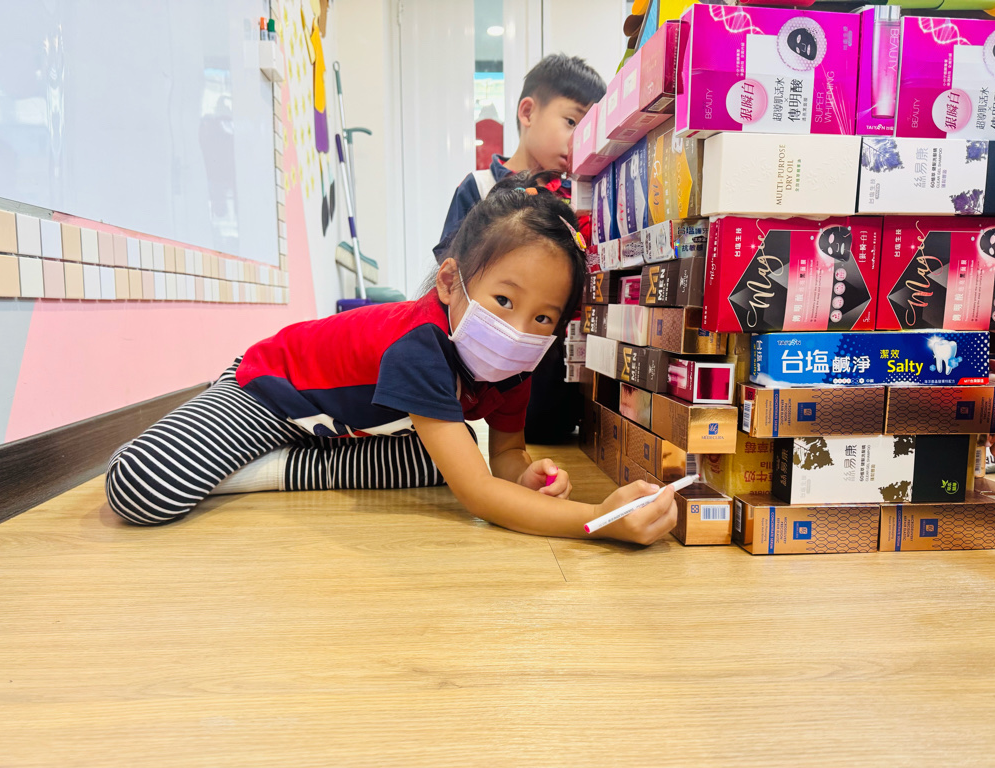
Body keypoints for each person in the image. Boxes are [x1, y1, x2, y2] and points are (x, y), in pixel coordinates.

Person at [105, 173, 676, 546]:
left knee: (442, 460)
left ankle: (276, 463)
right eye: (503, 301)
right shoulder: (420, 347)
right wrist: (601, 520)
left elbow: (503, 456)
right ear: (449, 282)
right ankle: (261, 468)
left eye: (544, 318)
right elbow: (480, 497)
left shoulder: (516, 366)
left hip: (343, 425)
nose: (518, 331)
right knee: (141, 485)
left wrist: (523, 475)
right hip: (271, 391)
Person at [434, 54, 607, 445]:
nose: (578, 141)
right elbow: (452, 275)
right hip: (493, 377)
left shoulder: (581, 199)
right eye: (572, 122)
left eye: (589, 132)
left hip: (560, 374)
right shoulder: (478, 187)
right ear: (528, 112)